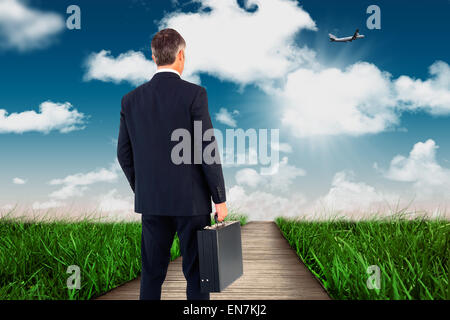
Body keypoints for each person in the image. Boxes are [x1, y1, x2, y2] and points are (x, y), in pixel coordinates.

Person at [117, 28, 228, 300]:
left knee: (152, 274)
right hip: (191, 204)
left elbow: (123, 153)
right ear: (181, 55)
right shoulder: (194, 94)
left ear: (153, 57)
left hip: (152, 203)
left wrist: (142, 187)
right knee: (199, 275)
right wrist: (220, 199)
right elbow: (207, 150)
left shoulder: (130, 100)